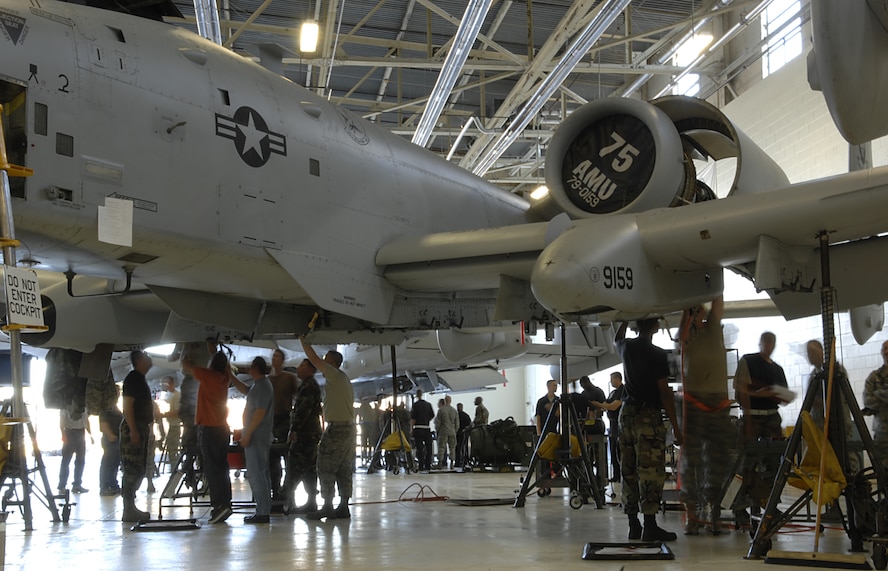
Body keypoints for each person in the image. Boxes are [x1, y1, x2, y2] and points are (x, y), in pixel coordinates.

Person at [616, 319, 682, 542]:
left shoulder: (626, 347)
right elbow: (664, 393)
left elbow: (617, 338)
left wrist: (624, 317)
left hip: (626, 416)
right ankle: (650, 526)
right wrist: (676, 426)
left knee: (629, 469)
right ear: (654, 327)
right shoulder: (657, 354)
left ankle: (633, 524)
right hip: (647, 417)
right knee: (650, 472)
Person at [677, 296, 732, 535]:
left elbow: (718, 302)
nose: (699, 315)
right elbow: (681, 334)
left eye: (701, 312)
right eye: (695, 312)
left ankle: (714, 512)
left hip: (718, 403)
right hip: (694, 404)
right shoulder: (687, 336)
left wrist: (711, 282)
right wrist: (687, 310)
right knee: (692, 460)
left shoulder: (713, 328)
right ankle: (692, 515)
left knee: (718, 459)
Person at [731, 331, 792, 528]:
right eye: (766, 342)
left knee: (773, 464)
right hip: (754, 416)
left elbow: (784, 396)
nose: (769, 346)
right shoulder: (749, 361)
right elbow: (741, 391)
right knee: (745, 465)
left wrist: (772, 394)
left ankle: (769, 504)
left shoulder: (777, 370)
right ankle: (738, 507)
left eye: (771, 342)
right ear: (761, 343)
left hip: (771, 418)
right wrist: (748, 418)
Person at [301, 336, 355, 520]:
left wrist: (304, 340)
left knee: (325, 466)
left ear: (332, 363)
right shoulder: (342, 378)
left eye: (326, 360)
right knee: (343, 467)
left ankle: (327, 506)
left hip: (337, 429)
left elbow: (314, 359)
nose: (322, 363)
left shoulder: (334, 374)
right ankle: (343, 506)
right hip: (348, 429)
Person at [183, 344, 234, 524]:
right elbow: (224, 366)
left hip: (209, 429)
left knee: (212, 469)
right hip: (222, 429)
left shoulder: (208, 376)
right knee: (222, 467)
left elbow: (185, 366)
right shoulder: (224, 377)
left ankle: (219, 507)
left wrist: (186, 349)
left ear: (212, 365)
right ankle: (226, 504)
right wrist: (215, 352)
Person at [232, 357, 275, 524]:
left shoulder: (263, 386)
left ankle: (263, 511)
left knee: (257, 473)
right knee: (259, 472)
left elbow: (259, 412)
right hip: (257, 434)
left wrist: (248, 433)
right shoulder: (258, 386)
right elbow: (246, 390)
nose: (249, 369)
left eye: (251, 367)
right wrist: (231, 377)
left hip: (257, 435)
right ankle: (262, 509)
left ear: (256, 368)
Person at [120, 350, 154, 522]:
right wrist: (133, 429)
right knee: (132, 468)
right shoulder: (133, 378)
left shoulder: (139, 378)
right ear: (140, 360)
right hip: (134, 427)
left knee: (139, 468)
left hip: (140, 427)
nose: (150, 359)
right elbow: (128, 406)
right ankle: (128, 508)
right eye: (147, 357)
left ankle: (130, 506)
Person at [287, 359, 323, 514]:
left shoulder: (309, 386)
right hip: (309, 433)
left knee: (297, 466)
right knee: (309, 469)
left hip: (306, 434)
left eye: (302, 365)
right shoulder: (308, 385)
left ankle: (291, 501)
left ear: (310, 369)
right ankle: (310, 502)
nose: (298, 368)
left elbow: (303, 410)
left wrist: (294, 429)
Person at [268, 349, 299, 502]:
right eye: (273, 356)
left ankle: (288, 492)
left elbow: (297, 397)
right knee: (272, 460)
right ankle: (275, 490)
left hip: (285, 420)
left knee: (288, 458)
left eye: (278, 356)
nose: (275, 359)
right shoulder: (268, 380)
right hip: (271, 421)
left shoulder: (289, 378)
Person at [593, 372, 625, 481]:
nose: (610, 382)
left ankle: (623, 475)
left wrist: (599, 404)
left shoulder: (622, 391)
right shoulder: (613, 393)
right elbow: (607, 405)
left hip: (620, 424)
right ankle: (616, 475)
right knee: (613, 449)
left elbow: (613, 406)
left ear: (617, 379)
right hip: (612, 424)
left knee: (620, 450)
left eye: (612, 379)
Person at [863, 340, 888, 470]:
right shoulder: (874, 377)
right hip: (882, 433)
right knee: (882, 471)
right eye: (884, 348)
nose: (887, 351)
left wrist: (878, 393)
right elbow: (867, 401)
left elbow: (873, 398)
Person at [58, 405, 91, 494]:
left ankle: (77, 485)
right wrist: (63, 435)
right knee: (66, 461)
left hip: (81, 432)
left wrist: (90, 434)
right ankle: (62, 486)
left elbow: (86, 420)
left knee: (80, 461)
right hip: (70, 432)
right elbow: (61, 422)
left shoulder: (83, 405)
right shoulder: (66, 406)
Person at [98, 386, 123, 496]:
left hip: (118, 438)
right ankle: (104, 486)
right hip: (110, 439)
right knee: (108, 463)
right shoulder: (106, 406)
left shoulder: (115, 407)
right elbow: (103, 423)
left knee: (115, 464)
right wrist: (110, 434)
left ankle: (113, 484)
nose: (118, 394)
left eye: (119, 392)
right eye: (116, 391)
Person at [411, 390, 435, 473]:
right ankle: (428, 465)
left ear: (417, 395)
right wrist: (426, 420)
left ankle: (421, 465)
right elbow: (432, 416)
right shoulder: (428, 405)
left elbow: (413, 418)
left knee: (420, 448)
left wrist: (411, 429)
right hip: (426, 428)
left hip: (418, 428)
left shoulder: (415, 405)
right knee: (429, 448)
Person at [161, 375, 181, 463]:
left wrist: (164, 415)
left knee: (173, 450)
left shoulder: (177, 396)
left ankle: (174, 469)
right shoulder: (169, 395)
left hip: (174, 426)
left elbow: (177, 412)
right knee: (170, 449)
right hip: (168, 426)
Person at [434, 398, 458, 469]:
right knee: (452, 447)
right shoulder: (454, 410)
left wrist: (437, 430)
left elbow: (438, 422)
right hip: (452, 431)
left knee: (441, 447)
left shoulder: (441, 410)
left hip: (443, 431)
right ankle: (452, 463)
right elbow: (457, 423)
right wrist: (455, 430)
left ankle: (440, 463)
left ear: (445, 401)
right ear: (450, 401)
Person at [455, 402, 472, 468]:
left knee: (458, 448)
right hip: (464, 434)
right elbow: (469, 425)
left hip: (458, 434)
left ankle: (458, 462)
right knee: (463, 448)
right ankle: (464, 461)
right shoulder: (466, 416)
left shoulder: (456, 415)